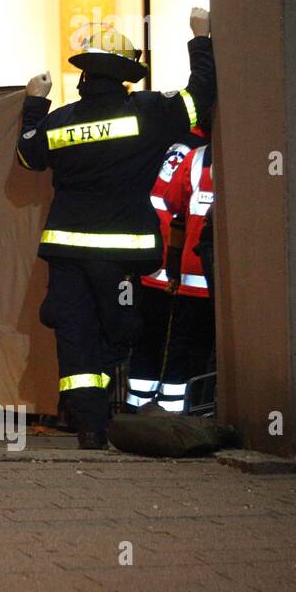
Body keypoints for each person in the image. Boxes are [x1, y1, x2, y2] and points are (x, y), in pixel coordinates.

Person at [16, 9, 215, 448]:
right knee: (120, 329)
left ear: (85, 79)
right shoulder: (149, 112)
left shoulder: (62, 121)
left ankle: (89, 424)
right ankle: (100, 406)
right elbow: (201, 96)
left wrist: (35, 101)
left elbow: (29, 155)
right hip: (122, 254)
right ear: (125, 79)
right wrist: (200, 38)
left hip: (66, 254)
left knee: (74, 333)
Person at [128, 112, 210, 410]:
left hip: (167, 261)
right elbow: (166, 202)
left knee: (157, 340)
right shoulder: (192, 151)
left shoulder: (186, 147)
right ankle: (165, 411)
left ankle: (142, 408)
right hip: (174, 264)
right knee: (177, 342)